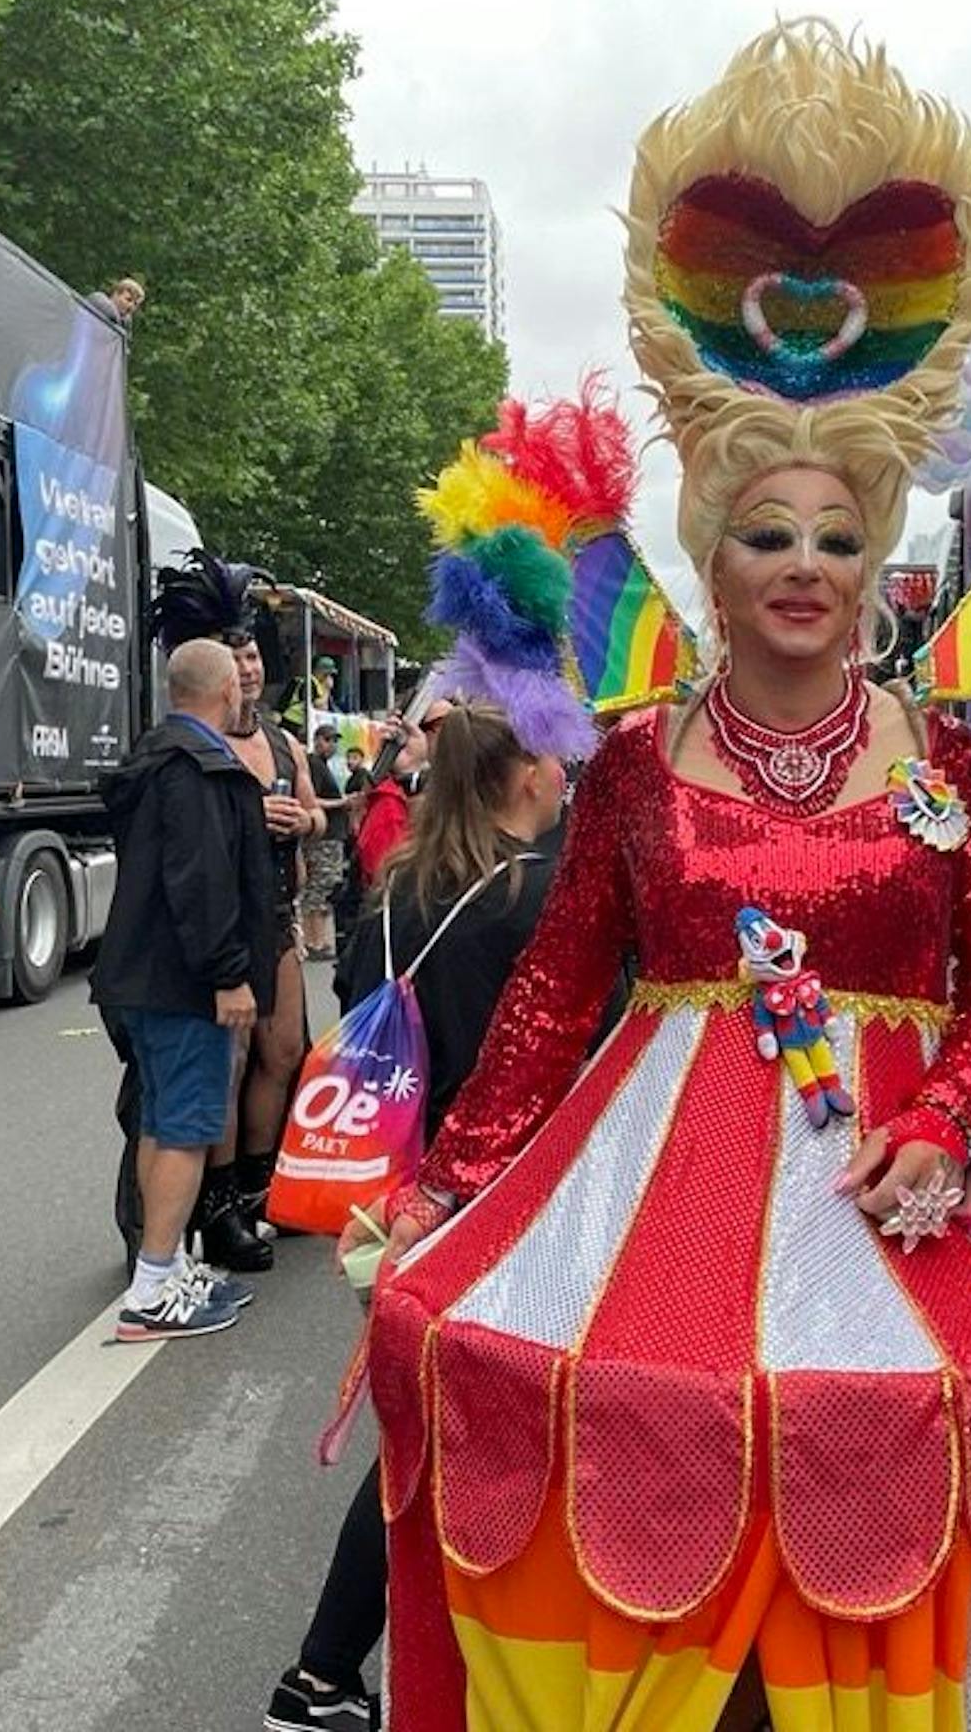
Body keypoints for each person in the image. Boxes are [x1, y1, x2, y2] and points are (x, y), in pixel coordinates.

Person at [349, 24, 971, 1731]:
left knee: (938, 1498)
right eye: (769, 533)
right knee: (645, 1509)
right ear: (714, 548)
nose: (805, 569)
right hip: (651, 1208)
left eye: (840, 539)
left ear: (875, 559)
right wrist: (451, 1176)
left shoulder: (945, 760)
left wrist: (956, 1122)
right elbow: (552, 994)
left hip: (897, 1204)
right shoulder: (630, 764)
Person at [265, 703, 573, 1732]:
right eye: (555, 755)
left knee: (426, 1428)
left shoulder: (395, 892)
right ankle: (325, 1673)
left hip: (393, 1191)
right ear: (522, 776)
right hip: (503, 1193)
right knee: (456, 1440)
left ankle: (341, 1670)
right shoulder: (533, 900)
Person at [91, 639, 275, 1339]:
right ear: (227, 688)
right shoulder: (198, 770)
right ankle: (154, 1287)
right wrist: (230, 973)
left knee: (162, 1123)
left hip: (144, 975)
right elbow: (202, 883)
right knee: (187, 1129)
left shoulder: (155, 759)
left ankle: (159, 1270)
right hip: (187, 982)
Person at [151, 550, 326, 1272]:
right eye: (234, 657)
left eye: (252, 654)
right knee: (228, 1062)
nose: (247, 669)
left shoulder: (283, 742)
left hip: (277, 917)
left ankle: (260, 1185)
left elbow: (319, 818)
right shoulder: (201, 742)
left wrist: (301, 823)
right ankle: (218, 1206)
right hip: (226, 923)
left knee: (282, 1053)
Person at [300, 723, 350, 960]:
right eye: (327, 740)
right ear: (317, 740)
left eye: (333, 741)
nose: (331, 745)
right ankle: (315, 941)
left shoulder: (320, 766)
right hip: (324, 837)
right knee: (321, 887)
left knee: (318, 887)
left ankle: (314, 940)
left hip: (326, 835)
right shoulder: (314, 765)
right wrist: (342, 802)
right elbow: (312, 800)